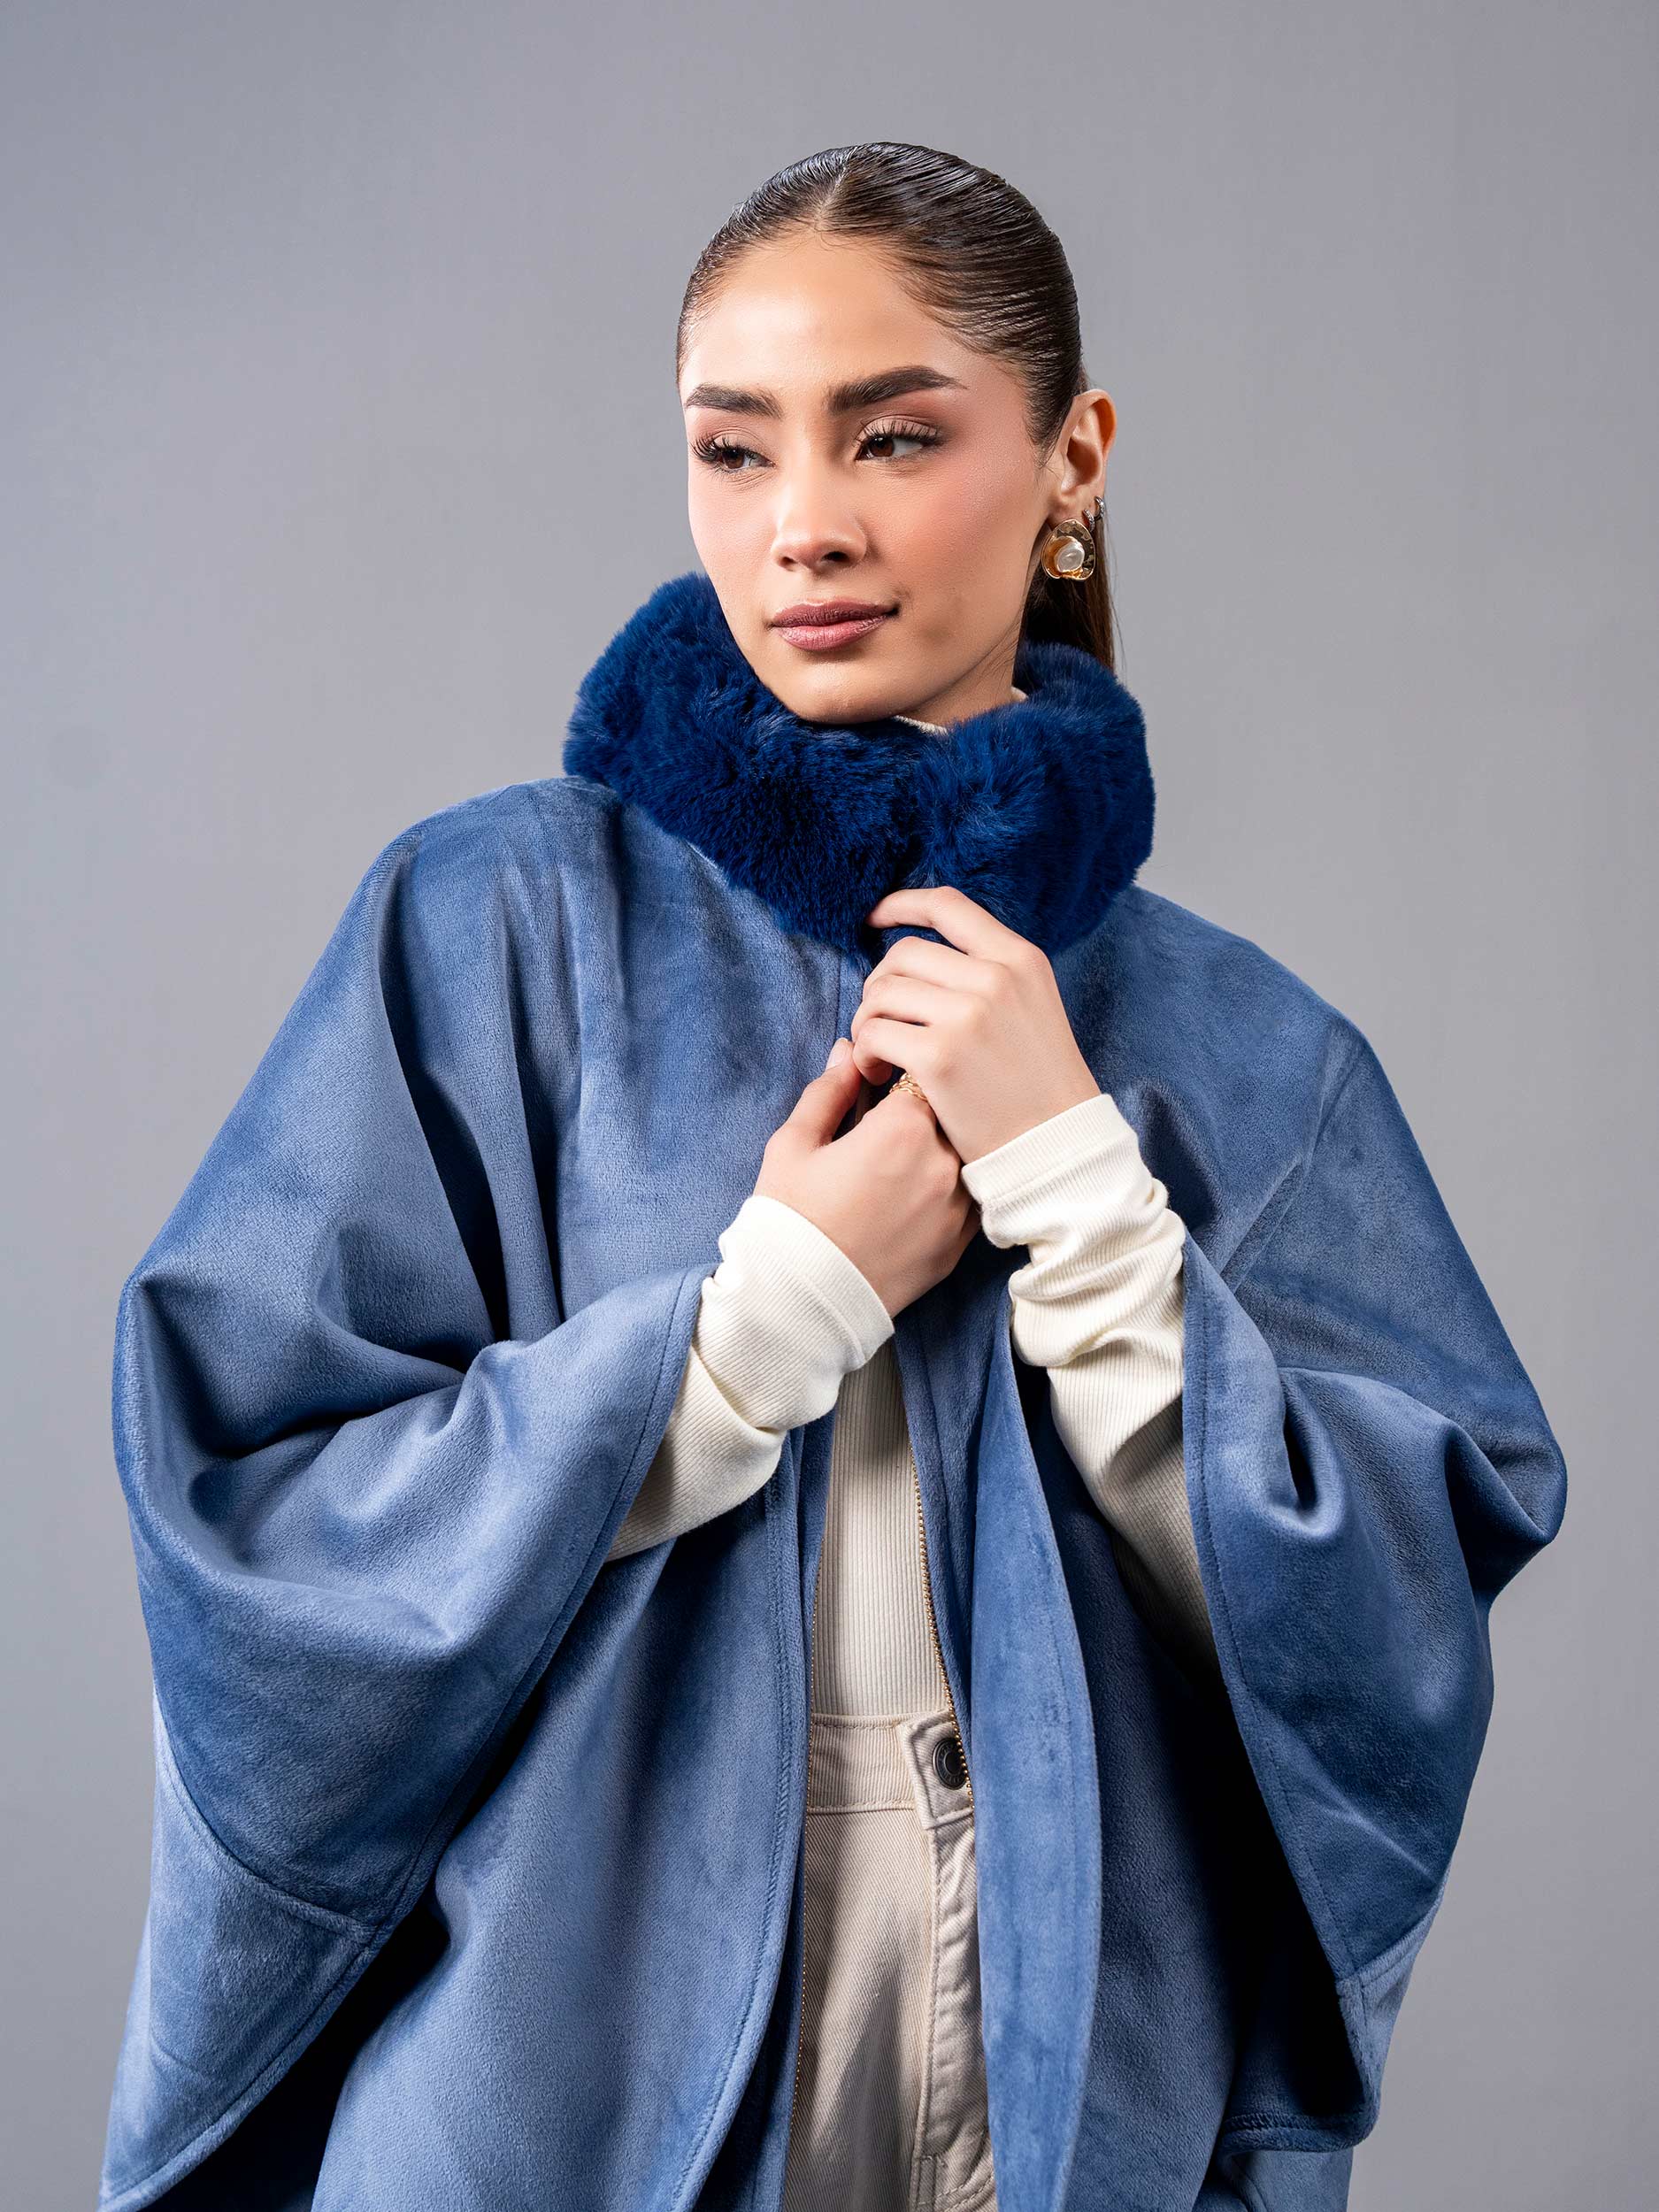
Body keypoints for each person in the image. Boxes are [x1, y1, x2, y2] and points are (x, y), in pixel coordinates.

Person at [99, 143, 1568, 2212]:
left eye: (891, 435)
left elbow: (1394, 1648)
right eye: (733, 447)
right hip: (557, 2094)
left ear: (1071, 459)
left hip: (1068, 2098)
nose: (801, 522)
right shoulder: (495, 930)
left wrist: (1080, 1187)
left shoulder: (1244, 1049)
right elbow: (245, 1511)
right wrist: (749, 1324)